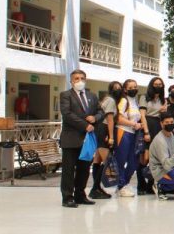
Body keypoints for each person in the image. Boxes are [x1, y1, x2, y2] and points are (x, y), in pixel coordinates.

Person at [58, 69, 106, 207]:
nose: (79, 81)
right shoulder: (66, 95)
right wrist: (85, 125)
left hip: (88, 140)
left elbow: (100, 112)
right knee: (68, 169)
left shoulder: (92, 96)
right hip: (71, 138)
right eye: (76, 78)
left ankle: (80, 195)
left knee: (84, 169)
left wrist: (95, 118)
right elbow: (67, 114)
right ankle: (67, 197)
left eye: (82, 78)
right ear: (71, 81)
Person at [89, 80, 121, 200]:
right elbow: (110, 119)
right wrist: (111, 136)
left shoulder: (106, 99)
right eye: (115, 87)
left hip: (99, 129)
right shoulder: (111, 100)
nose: (118, 89)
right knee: (106, 160)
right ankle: (95, 189)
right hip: (104, 130)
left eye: (119, 87)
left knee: (97, 160)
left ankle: (96, 188)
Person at [114, 79, 144, 197]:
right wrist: (133, 124)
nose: (133, 89)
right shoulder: (123, 100)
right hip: (123, 132)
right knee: (121, 160)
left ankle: (124, 183)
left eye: (135, 87)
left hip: (134, 134)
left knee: (134, 161)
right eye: (130, 87)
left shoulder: (135, 101)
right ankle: (121, 185)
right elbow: (119, 118)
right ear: (125, 89)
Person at [140, 76, 167, 142]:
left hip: (158, 124)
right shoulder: (144, 97)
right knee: (147, 148)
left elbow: (163, 116)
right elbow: (142, 115)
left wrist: (163, 112)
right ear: (151, 85)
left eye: (160, 84)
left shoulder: (163, 100)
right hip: (147, 123)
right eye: (156, 84)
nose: (158, 86)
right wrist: (146, 132)